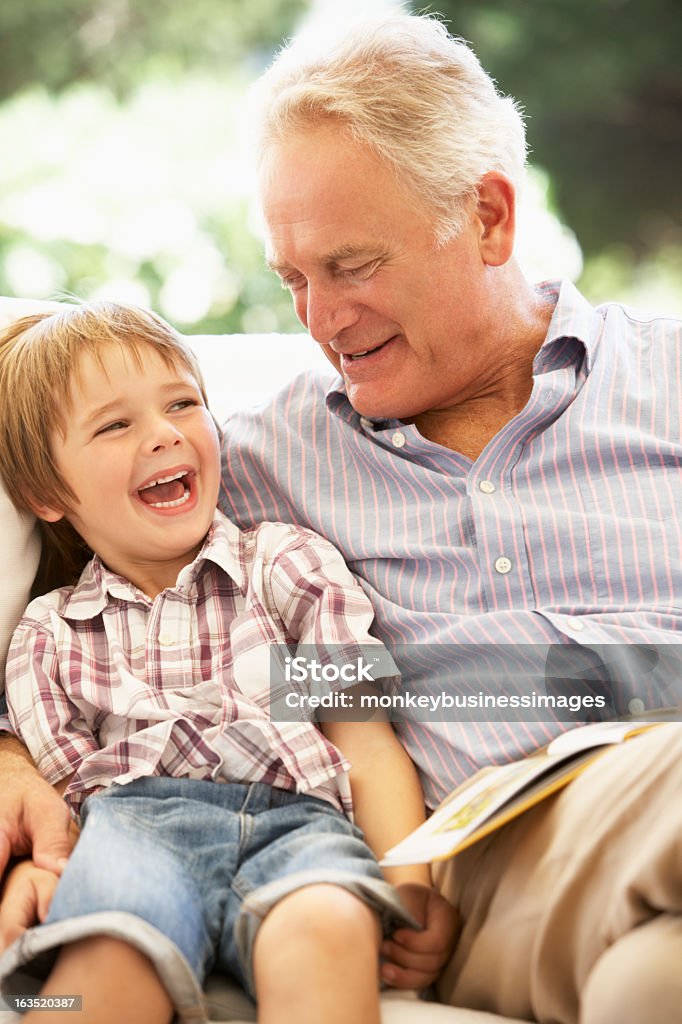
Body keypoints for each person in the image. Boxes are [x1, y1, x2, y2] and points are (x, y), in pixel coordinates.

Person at [216, 13, 682, 1024]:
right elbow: (87, 598)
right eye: (293, 278)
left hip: (644, 863)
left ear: (488, 218)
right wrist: (10, 754)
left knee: (654, 985)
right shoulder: (246, 459)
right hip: (488, 857)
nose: (320, 320)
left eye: (350, 265)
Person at [0, 301, 456, 1024]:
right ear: (45, 495)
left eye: (182, 403)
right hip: (132, 835)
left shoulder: (284, 566)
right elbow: (60, 804)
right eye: (115, 424)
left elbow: (363, 739)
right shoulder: (50, 634)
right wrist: (44, 874)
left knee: (327, 929)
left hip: (300, 825)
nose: (164, 434)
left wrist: (408, 882)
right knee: (107, 962)